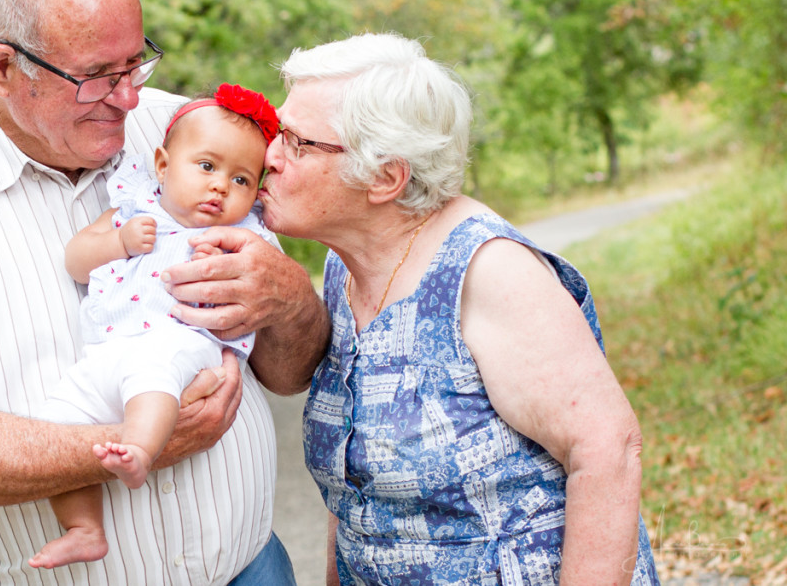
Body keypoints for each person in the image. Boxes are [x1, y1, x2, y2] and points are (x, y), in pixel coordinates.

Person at [0, 0, 327, 586]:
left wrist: (291, 299)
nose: (129, 97)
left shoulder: (188, 134)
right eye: (98, 76)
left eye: (136, 63)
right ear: (2, 67)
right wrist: (140, 441)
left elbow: (289, 370)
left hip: (248, 569)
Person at [257, 32, 661, 585]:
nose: (269, 155)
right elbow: (359, 492)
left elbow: (608, 452)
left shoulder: (489, 270)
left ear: (384, 177)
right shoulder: (345, 267)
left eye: (296, 142)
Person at [30, 83, 281, 569]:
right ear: (163, 165)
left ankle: (140, 450)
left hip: (182, 344)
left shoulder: (241, 234)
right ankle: (84, 527)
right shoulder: (131, 205)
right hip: (107, 352)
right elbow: (76, 262)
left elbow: (253, 301)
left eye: (242, 180)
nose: (220, 187)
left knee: (153, 370)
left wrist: (224, 267)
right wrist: (119, 242)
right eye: (207, 167)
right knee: (58, 420)